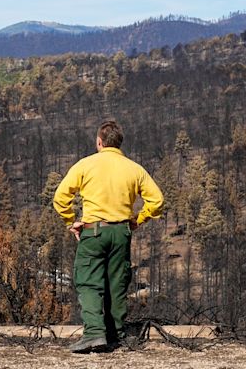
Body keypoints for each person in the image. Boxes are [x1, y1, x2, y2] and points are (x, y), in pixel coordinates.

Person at [53, 120, 164, 353]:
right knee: (117, 284)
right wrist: (139, 219)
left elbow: (60, 197)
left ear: (99, 142)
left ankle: (94, 334)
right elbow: (157, 201)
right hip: (121, 232)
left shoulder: (86, 165)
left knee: (88, 282)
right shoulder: (135, 169)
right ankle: (115, 335)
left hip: (93, 230)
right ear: (119, 143)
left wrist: (70, 221)